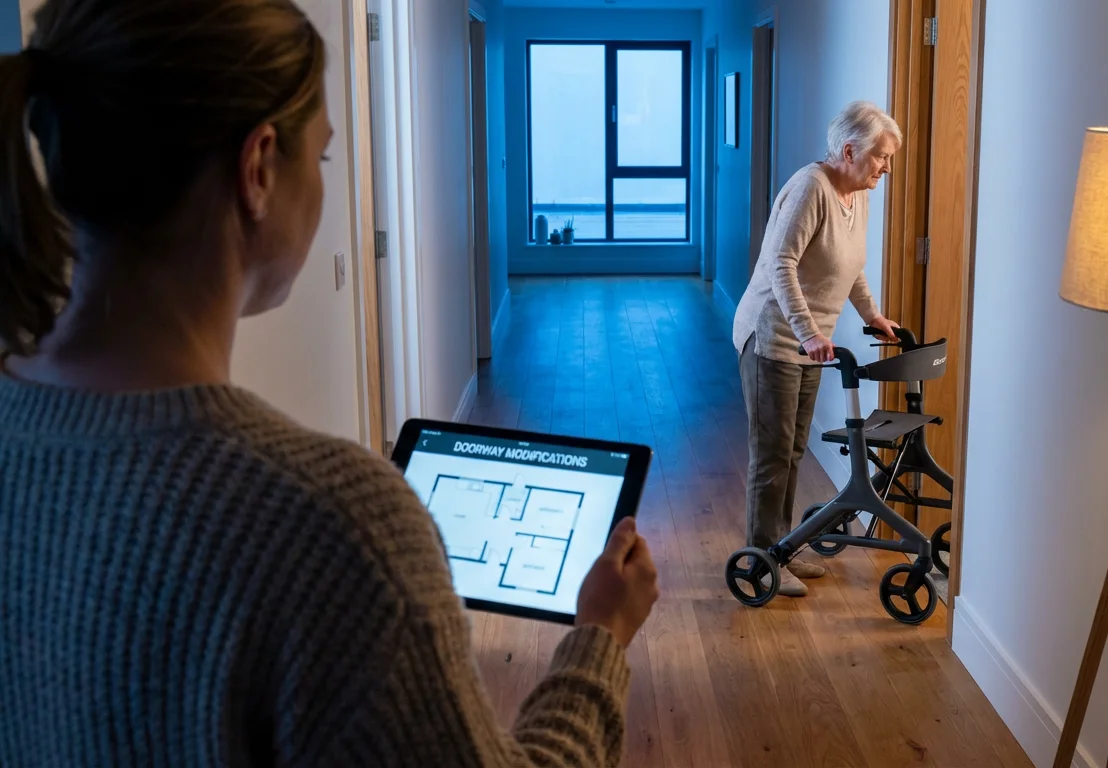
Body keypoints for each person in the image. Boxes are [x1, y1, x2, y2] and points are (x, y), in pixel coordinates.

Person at [0, 1, 658, 765]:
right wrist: (600, 637)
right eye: (322, 160)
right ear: (258, 169)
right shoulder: (333, 522)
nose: (321, 189)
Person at [732, 101, 903, 598]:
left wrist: (870, 314)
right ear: (848, 150)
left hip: (810, 342)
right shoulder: (811, 187)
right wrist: (807, 331)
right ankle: (761, 561)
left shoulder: (858, 194)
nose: (886, 168)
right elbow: (781, 263)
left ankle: (783, 547)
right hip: (772, 335)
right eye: (880, 157)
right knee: (771, 452)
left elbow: (851, 265)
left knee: (792, 450)